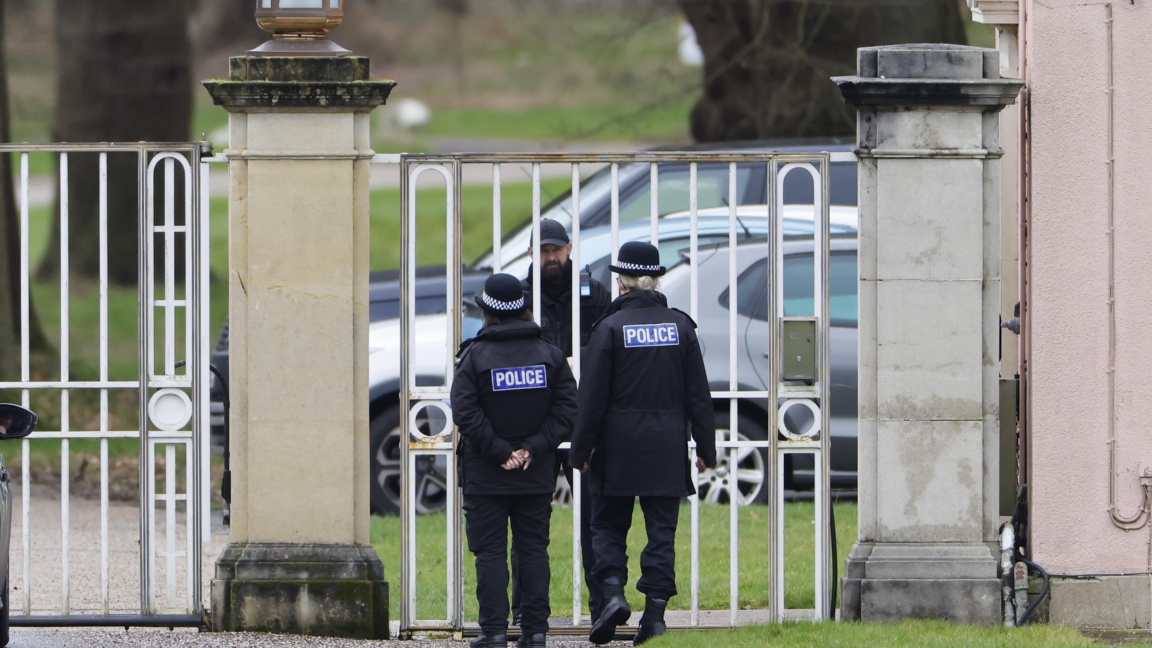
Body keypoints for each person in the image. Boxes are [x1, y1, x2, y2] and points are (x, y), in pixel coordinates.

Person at [569, 241, 717, 646]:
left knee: (608, 525)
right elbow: (698, 396)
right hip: (667, 446)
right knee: (661, 533)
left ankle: (614, 594)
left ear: (622, 284)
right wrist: (706, 447)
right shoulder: (681, 327)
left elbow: (592, 400)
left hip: (617, 448)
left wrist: (580, 452)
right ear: (656, 279)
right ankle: (654, 617)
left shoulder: (609, 329)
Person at [452, 273, 579, 648]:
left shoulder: (474, 356)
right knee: (533, 550)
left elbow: (464, 411)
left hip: (487, 474)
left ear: (488, 310)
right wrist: (532, 449)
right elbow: (567, 409)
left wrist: (499, 452)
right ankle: (535, 632)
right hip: (534, 471)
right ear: (524, 308)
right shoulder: (550, 354)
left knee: (489, 553)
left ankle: (492, 633)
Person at [515, 217, 612, 625]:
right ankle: (525, 612)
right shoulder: (520, 296)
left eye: (556, 249)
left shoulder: (595, 291)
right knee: (528, 524)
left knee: (594, 517)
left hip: (582, 420)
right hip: (533, 423)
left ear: (570, 248)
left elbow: (611, 347)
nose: (550, 256)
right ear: (532, 253)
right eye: (543, 249)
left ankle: (601, 607)